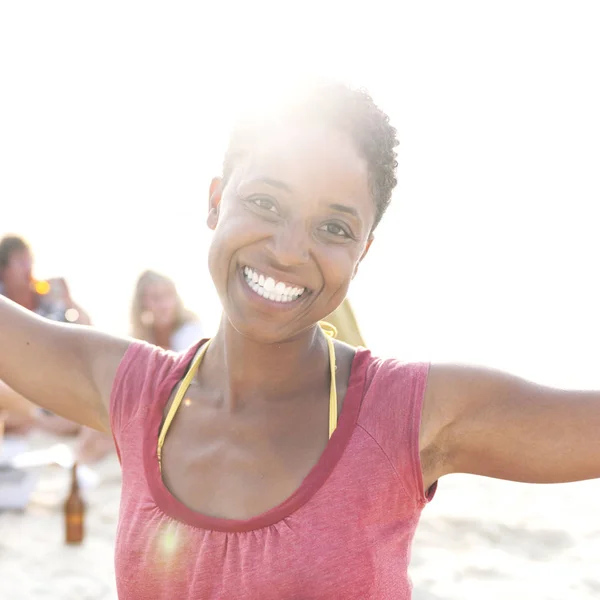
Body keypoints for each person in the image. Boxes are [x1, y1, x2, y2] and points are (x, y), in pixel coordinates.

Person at [1, 82, 599, 599]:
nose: (288, 250)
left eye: (333, 227)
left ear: (361, 252)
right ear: (215, 202)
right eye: (264, 202)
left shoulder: (406, 415)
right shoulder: (136, 393)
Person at [130, 269, 203, 351]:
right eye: (155, 297)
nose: (165, 305)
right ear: (142, 303)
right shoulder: (137, 339)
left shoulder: (191, 330)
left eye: (169, 295)